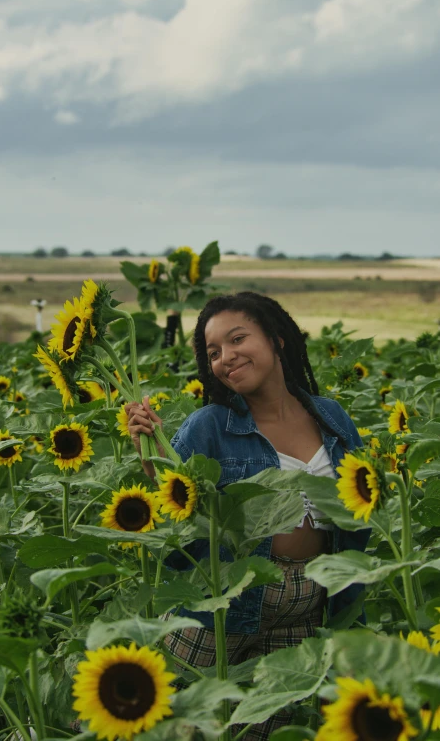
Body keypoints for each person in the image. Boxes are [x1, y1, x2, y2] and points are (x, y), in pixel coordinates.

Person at [125, 292, 370, 740]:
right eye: (213, 352)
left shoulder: (331, 416)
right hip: (225, 608)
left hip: (307, 613)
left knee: (264, 731)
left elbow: (364, 502)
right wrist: (152, 457)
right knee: (165, 721)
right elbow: (176, 506)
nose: (225, 358)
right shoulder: (209, 425)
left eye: (238, 339)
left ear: (276, 340)